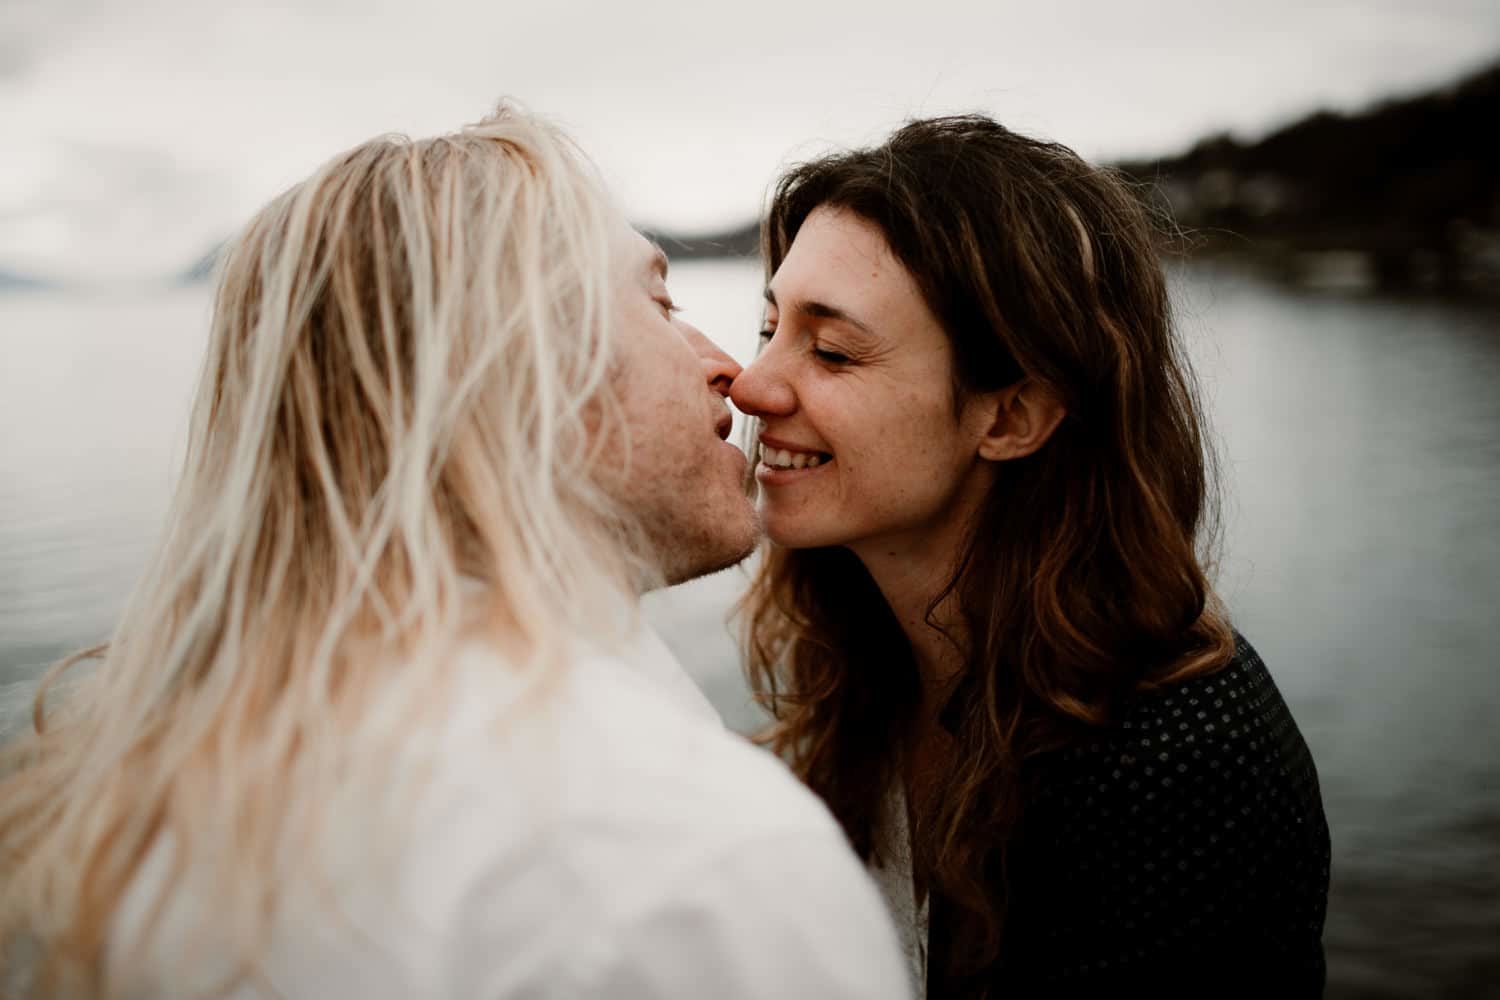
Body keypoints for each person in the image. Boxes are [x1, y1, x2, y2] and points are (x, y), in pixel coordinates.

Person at [0, 107, 910, 999]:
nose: (733, 372)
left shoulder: (156, 809)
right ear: (517, 370)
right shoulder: (700, 870)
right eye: (660, 303)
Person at [732, 115, 1330, 997]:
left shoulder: (1178, 762)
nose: (751, 386)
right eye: (768, 327)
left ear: (1012, 417)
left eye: (831, 351)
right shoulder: (871, 666)